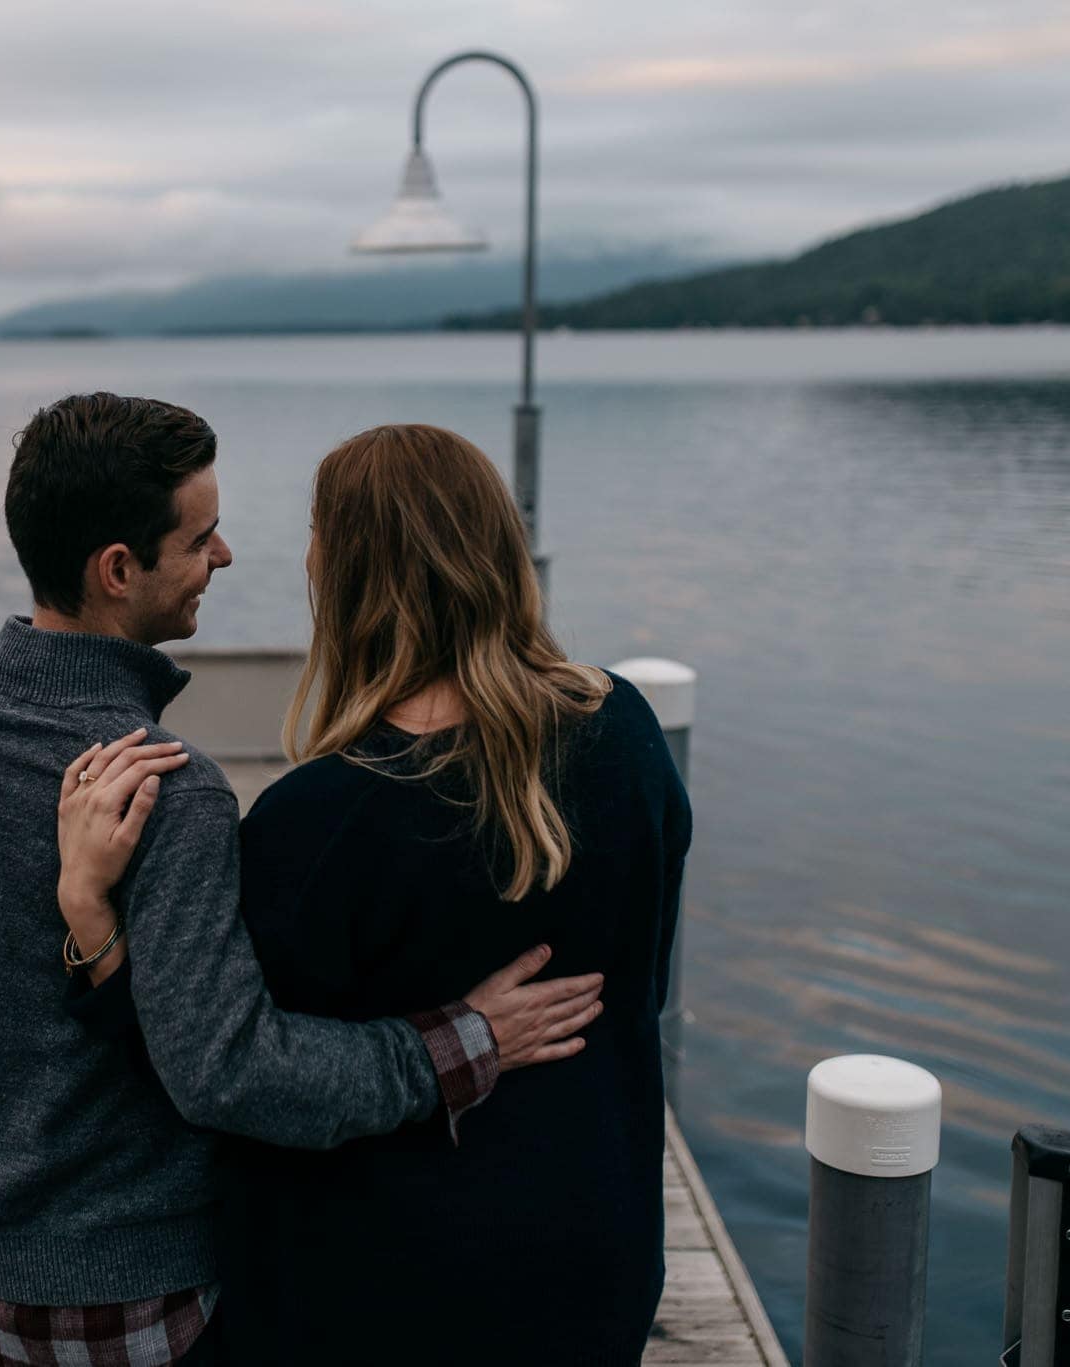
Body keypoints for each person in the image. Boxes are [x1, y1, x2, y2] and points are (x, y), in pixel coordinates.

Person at [0, 394, 607, 1367]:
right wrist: (462, 1042)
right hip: (143, 1296)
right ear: (117, 569)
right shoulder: (170, 789)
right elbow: (233, 1073)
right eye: (200, 536)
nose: (224, 556)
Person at [56, 423, 691, 1364]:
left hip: (385, 1298)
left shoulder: (322, 821)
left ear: (350, 573)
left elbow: (221, 1076)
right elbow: (649, 982)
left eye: (317, 531)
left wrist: (94, 925)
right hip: (597, 1257)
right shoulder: (628, 730)